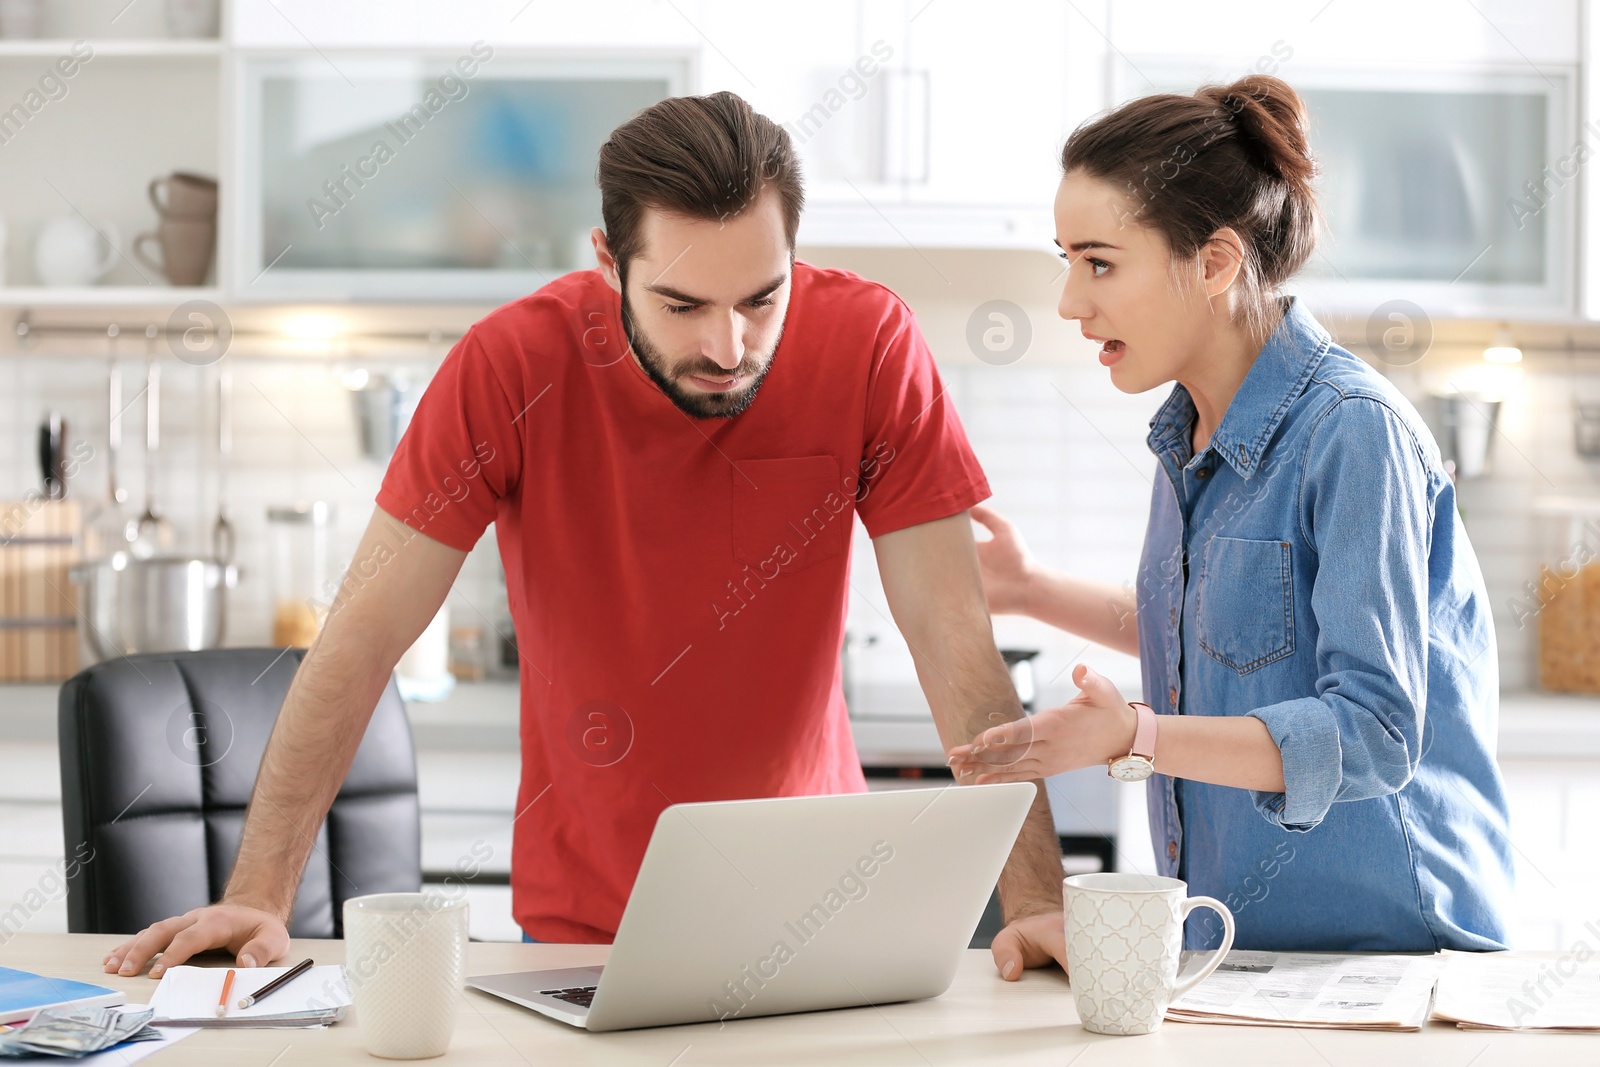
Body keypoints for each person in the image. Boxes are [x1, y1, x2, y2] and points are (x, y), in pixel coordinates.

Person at [103, 91, 1068, 980]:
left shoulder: (872, 345)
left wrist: (1035, 902)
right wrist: (259, 894)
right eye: (683, 305)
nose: (729, 349)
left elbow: (955, 642)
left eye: (761, 299)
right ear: (609, 263)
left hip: (815, 899)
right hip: (585, 924)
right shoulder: (510, 364)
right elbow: (358, 643)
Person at [950, 74, 1514, 958]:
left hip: (1399, 959)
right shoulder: (1190, 434)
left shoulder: (1351, 432)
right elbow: (1228, 643)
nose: (1069, 300)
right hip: (1249, 952)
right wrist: (1031, 589)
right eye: (1066, 260)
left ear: (1214, 262)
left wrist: (1138, 735)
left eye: (1098, 261)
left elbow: (1374, 732)